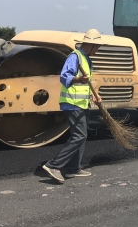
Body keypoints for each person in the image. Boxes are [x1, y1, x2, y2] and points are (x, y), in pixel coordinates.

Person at [42, 29, 103, 183]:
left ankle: (74, 168)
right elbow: (64, 77)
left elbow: (85, 84)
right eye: (97, 47)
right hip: (72, 103)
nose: (98, 50)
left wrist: (94, 96)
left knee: (81, 136)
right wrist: (78, 79)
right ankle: (54, 166)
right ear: (91, 45)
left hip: (81, 103)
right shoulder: (75, 57)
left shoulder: (86, 59)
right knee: (79, 136)